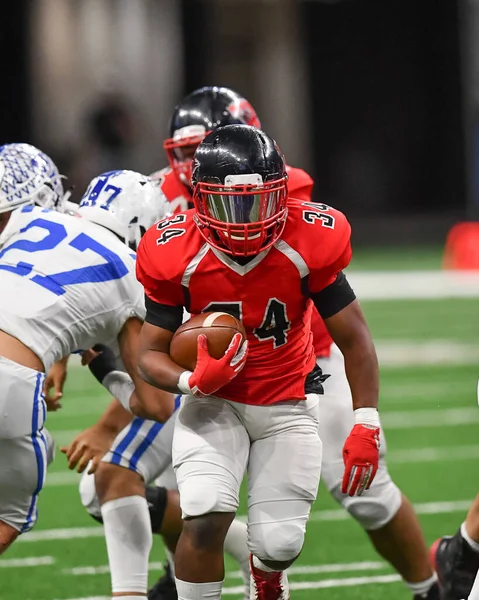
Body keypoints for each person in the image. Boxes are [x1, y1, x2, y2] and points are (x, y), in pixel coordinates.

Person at [148, 87, 438, 600]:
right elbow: (151, 336)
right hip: (214, 384)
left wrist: (365, 421)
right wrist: (189, 378)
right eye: (187, 151)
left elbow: (350, 330)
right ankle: (187, 575)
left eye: (202, 148)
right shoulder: (168, 221)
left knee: (354, 497)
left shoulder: (292, 212)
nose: (190, 161)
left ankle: (432, 584)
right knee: (201, 506)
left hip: (303, 369)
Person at [0, 148, 173, 554]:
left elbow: (34, 290)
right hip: (10, 379)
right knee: (6, 521)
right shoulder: (130, 273)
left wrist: (57, 353)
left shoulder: (31, 220)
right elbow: (157, 405)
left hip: (16, 364)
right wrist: (106, 371)